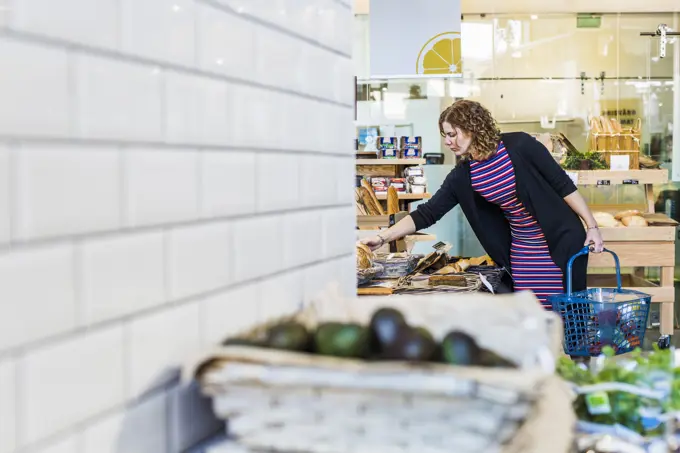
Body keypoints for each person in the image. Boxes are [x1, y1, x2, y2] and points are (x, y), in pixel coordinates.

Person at [360, 100, 604, 309]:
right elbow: (428, 212)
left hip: (559, 240)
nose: (448, 142)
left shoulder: (520, 146)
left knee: (569, 313)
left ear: (473, 128)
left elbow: (563, 186)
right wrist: (382, 238)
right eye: (445, 135)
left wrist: (591, 226)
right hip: (522, 249)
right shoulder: (463, 175)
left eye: (452, 134)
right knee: (532, 314)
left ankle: (577, 363)